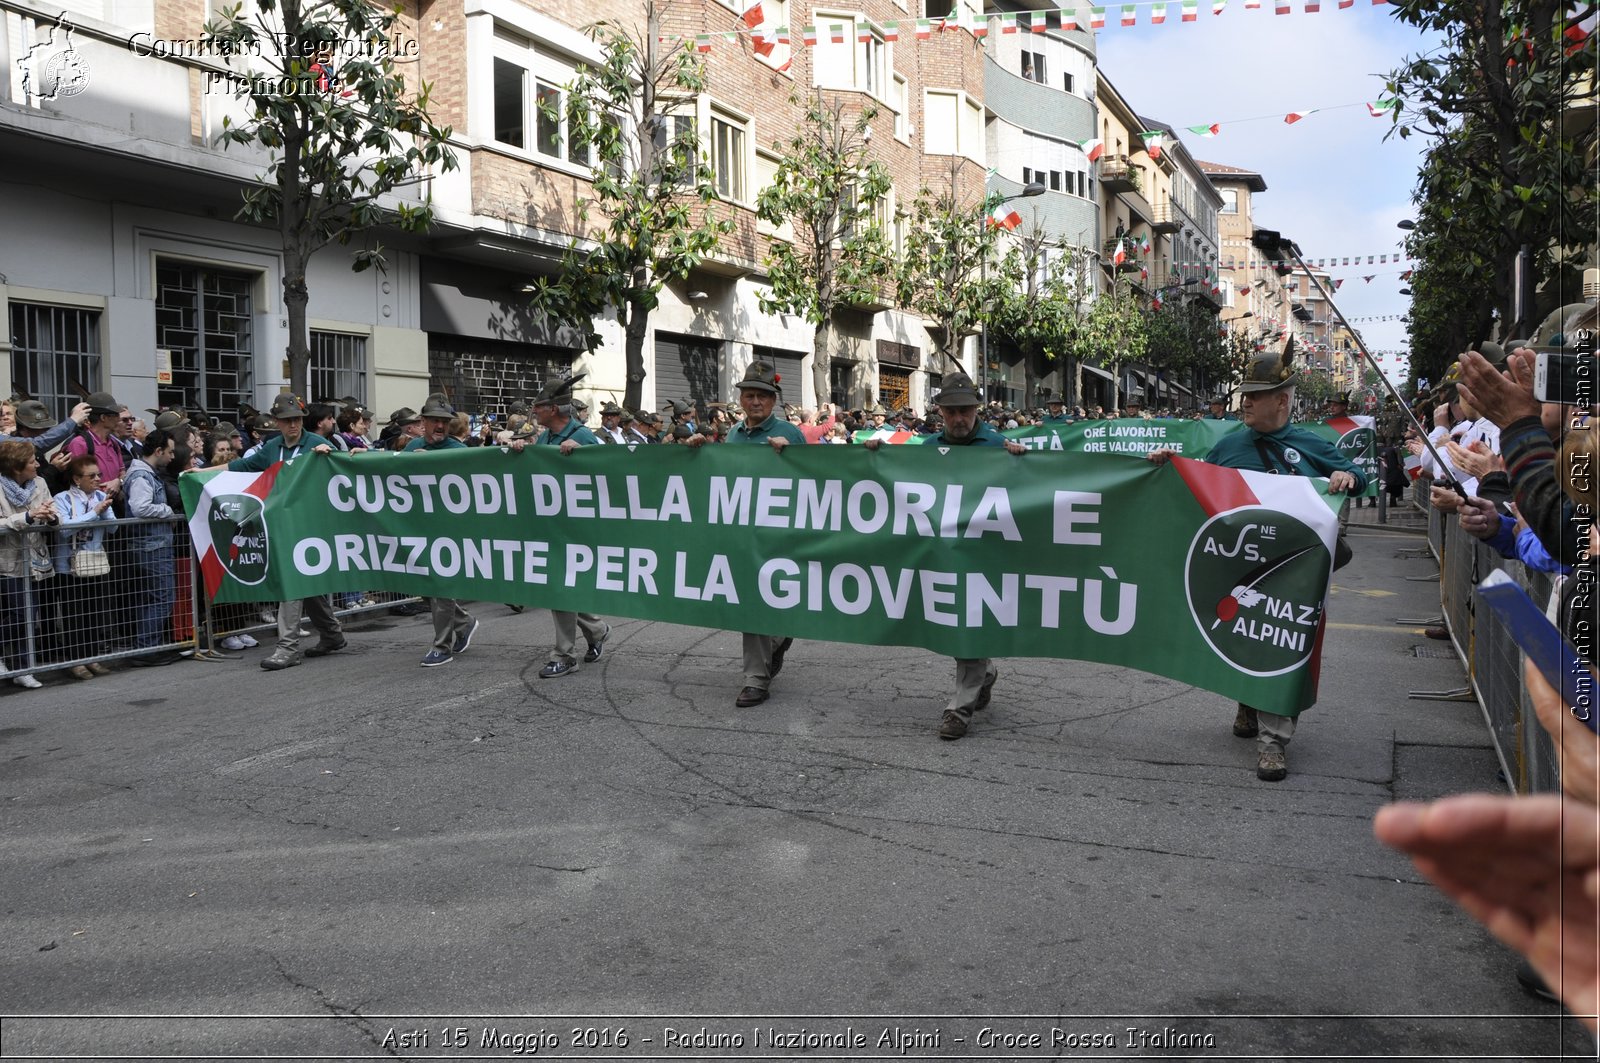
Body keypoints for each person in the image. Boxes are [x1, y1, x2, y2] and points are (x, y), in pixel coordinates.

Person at [1147, 343, 1365, 781]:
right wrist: (1171, 466)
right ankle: (1248, 702)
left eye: (1255, 395)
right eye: (1243, 394)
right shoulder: (1228, 447)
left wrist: (1347, 477)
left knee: (1284, 643)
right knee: (1244, 639)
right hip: (1240, 567)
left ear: (1282, 400)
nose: (1244, 401)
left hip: (1297, 571)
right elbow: (1199, 482)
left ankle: (1274, 743)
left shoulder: (1311, 443)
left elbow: (1361, 479)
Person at [864, 371, 1028, 737]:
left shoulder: (998, 447)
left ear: (976, 410)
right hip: (940, 556)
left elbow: (1034, 490)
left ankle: (959, 710)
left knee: (968, 623)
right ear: (939, 411)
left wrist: (1022, 462)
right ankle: (983, 675)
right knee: (954, 623)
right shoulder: (927, 451)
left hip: (982, 556)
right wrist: (877, 458)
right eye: (950, 411)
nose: (958, 418)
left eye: (965, 410)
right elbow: (898, 485)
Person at [204, 394, 345, 670]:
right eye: (287, 420)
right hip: (281, 525)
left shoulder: (317, 443)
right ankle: (332, 635)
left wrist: (331, 456)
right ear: (277, 423)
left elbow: (342, 468)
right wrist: (202, 472)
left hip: (309, 526)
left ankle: (287, 648)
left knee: (292, 582)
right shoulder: (271, 448)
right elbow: (239, 467)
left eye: (297, 419)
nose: (293, 425)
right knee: (306, 583)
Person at [529, 374, 611, 678]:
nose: (534, 412)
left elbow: (613, 473)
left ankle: (564, 654)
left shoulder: (585, 436)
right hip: (554, 525)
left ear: (553, 409)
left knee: (562, 586)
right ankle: (597, 629)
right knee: (561, 586)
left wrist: (584, 454)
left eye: (538, 407)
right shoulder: (544, 438)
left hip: (581, 529)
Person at [404, 395, 493, 667]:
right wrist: (363, 455)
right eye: (434, 421)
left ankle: (441, 646)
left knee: (441, 585)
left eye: (444, 421)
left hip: (449, 531)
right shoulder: (412, 448)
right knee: (428, 587)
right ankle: (464, 623)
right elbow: (386, 469)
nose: (440, 426)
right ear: (423, 422)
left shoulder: (458, 449)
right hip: (419, 529)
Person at [123, 429, 185, 667]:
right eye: (169, 452)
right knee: (162, 596)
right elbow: (141, 508)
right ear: (158, 451)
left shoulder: (144, 473)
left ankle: (150, 645)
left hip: (153, 544)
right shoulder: (141, 475)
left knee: (155, 597)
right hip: (152, 545)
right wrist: (168, 511)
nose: (171, 457)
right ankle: (147, 647)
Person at [52, 454, 116, 678]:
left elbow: (113, 529)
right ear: (77, 479)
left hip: (95, 562)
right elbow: (64, 529)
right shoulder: (62, 498)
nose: (98, 479)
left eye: (99, 474)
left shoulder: (100, 495)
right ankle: (75, 660)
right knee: (74, 615)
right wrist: (94, 512)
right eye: (92, 476)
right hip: (69, 565)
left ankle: (92, 657)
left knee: (95, 613)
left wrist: (106, 508)